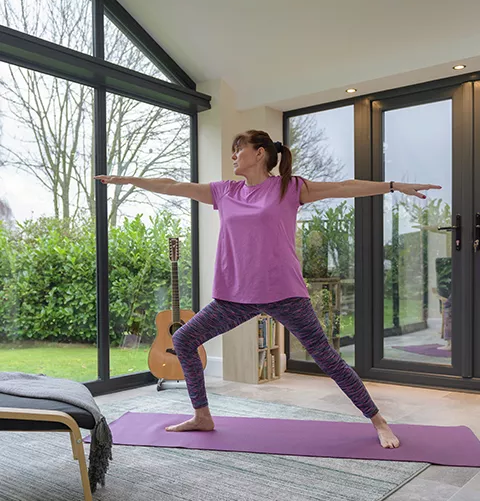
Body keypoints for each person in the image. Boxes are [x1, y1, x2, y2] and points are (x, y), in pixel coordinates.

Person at [95, 129, 441, 449]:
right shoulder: (224, 192)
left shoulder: (289, 187)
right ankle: (202, 415)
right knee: (184, 339)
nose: (233, 157)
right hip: (234, 296)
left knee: (328, 359)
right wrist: (127, 180)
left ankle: (378, 420)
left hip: (285, 293)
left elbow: (343, 186)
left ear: (259, 153)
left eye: (238, 150)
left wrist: (394, 185)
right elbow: (173, 186)